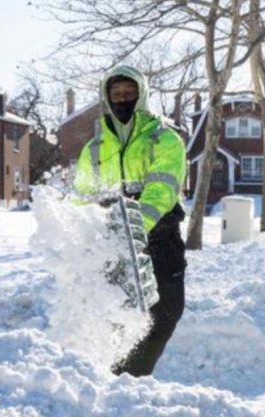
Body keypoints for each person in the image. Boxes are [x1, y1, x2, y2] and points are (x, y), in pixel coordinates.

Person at [73, 65, 187, 377]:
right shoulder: (94, 149)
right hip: (112, 243)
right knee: (115, 316)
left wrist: (135, 227)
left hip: (160, 239)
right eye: (116, 94)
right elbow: (82, 197)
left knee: (165, 312)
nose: (123, 99)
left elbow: (162, 188)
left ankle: (133, 379)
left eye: (129, 93)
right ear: (107, 99)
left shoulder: (163, 139)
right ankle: (110, 378)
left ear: (141, 95)